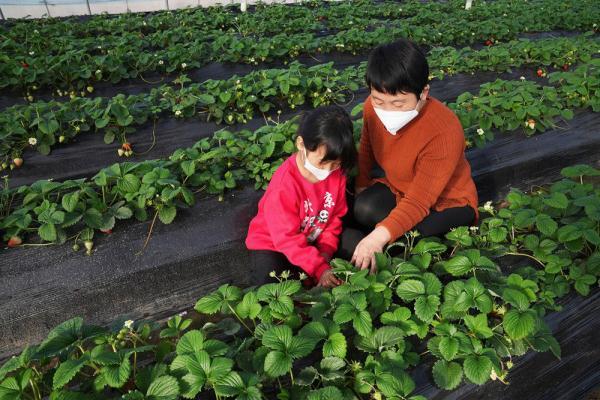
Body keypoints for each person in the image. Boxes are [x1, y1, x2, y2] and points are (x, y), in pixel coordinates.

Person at [341, 38, 479, 273]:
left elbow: (419, 201)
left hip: (446, 202)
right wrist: (362, 186)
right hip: (401, 188)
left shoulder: (443, 129)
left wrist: (377, 238)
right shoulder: (371, 109)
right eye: (378, 100)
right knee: (363, 207)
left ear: (423, 93)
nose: (386, 111)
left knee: (408, 239)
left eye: (398, 103)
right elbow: (366, 149)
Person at [245, 105, 357, 288]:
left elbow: (334, 218)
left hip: (312, 238)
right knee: (270, 283)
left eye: (336, 164)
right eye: (323, 163)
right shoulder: (284, 186)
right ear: (301, 144)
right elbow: (286, 239)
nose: (328, 171)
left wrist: (326, 252)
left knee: (356, 245)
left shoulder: (338, 174)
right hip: (274, 244)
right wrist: (320, 268)